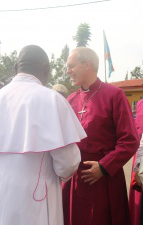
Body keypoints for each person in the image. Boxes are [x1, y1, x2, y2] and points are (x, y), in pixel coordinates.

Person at [0, 45, 87, 225]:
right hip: (36, 197)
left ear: (16, 68)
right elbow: (67, 163)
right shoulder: (52, 99)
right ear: (46, 71)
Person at [62, 47, 139, 225]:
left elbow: (129, 140)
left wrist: (104, 167)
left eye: (71, 66)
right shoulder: (70, 100)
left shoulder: (114, 95)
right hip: (75, 180)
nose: (68, 71)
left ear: (87, 64)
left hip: (104, 178)